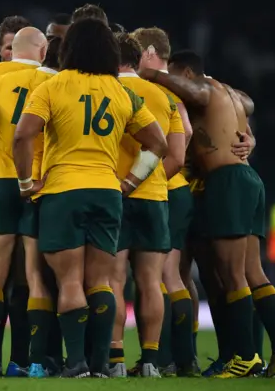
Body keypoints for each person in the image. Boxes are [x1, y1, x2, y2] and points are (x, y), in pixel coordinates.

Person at [13, 18, 167, 378]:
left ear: (67, 49)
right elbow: (157, 143)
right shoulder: (121, 92)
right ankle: (101, 364)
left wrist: (24, 184)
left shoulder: (53, 86)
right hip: (107, 192)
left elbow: (23, 137)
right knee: (100, 282)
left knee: (68, 281)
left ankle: (76, 364)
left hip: (63, 191)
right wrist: (128, 182)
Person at [142, 50, 275, 378]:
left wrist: (152, 74)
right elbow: (249, 102)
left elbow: (198, 91)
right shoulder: (229, 93)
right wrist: (248, 134)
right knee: (253, 272)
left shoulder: (205, 90)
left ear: (185, 73)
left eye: (175, 78)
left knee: (232, 275)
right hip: (248, 179)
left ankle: (246, 356)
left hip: (226, 182)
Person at [0, 36, 58, 379]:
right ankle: (33, 363)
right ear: (43, 51)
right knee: (34, 277)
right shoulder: (53, 81)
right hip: (38, 183)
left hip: (0, 181)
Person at [109, 33, 188, 378]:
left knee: (113, 280)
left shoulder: (106, 91)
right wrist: (149, 181)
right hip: (155, 197)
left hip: (114, 194)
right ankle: (153, 361)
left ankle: (115, 362)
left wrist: (125, 184)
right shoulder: (164, 95)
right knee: (151, 281)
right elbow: (178, 156)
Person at [129, 27, 197, 376]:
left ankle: (170, 357)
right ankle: (181, 358)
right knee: (175, 276)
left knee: (164, 276)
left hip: (161, 187)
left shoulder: (163, 85)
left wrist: (149, 177)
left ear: (150, 51)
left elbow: (183, 132)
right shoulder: (178, 88)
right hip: (178, 187)